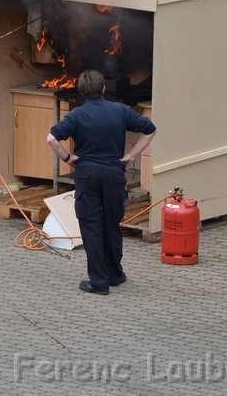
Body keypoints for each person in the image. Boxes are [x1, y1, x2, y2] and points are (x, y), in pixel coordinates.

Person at [46, 70, 156, 295]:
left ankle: (99, 281)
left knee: (92, 227)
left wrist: (68, 158)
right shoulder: (120, 110)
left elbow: (51, 138)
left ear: (81, 92)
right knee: (111, 225)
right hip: (114, 176)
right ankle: (115, 274)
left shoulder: (76, 115)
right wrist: (131, 156)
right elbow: (150, 129)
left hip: (88, 177)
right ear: (104, 89)